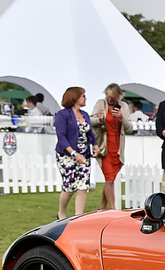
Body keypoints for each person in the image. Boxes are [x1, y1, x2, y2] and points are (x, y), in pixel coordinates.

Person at [54, 86, 98, 219]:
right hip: (66, 155)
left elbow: (90, 133)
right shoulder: (62, 115)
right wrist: (74, 153)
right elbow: (61, 137)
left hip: (84, 154)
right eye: (83, 95)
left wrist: (95, 145)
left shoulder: (84, 115)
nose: (85, 98)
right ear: (75, 97)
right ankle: (61, 213)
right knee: (69, 187)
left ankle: (78, 217)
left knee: (83, 186)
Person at [91, 83, 133, 211]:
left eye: (112, 97)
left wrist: (121, 118)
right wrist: (99, 119)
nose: (110, 99)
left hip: (118, 148)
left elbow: (129, 128)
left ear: (118, 96)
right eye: (108, 96)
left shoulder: (124, 107)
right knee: (109, 178)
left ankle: (102, 206)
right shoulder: (100, 104)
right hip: (105, 147)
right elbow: (90, 120)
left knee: (111, 179)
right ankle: (113, 209)